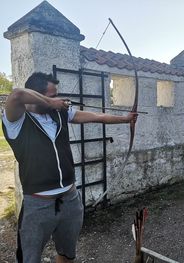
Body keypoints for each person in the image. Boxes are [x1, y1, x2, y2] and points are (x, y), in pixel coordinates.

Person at [1, 72, 137, 263]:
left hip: (70, 200)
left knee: (67, 253)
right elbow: (16, 95)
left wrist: (125, 119)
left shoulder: (60, 114)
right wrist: (51, 103)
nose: (58, 99)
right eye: (52, 95)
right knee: (29, 258)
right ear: (37, 95)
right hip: (38, 204)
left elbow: (97, 116)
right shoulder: (17, 121)